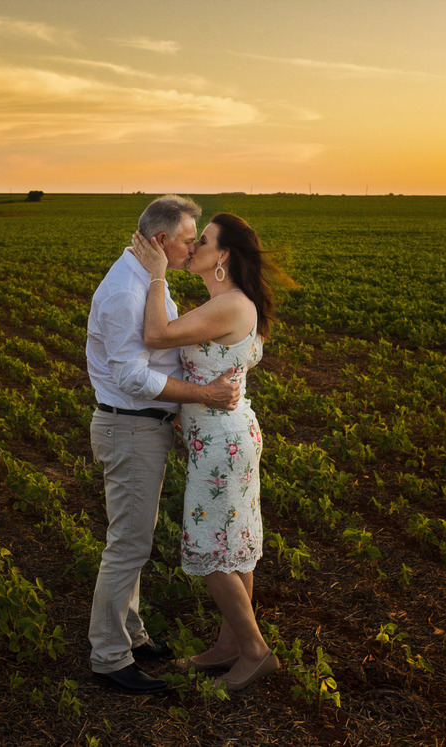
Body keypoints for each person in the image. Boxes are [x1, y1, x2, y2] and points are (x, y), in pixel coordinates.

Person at [86, 195, 243, 695]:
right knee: (128, 544)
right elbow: (132, 377)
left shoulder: (146, 280)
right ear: (161, 240)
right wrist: (204, 396)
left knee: (135, 537)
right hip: (130, 427)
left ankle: (131, 635)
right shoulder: (125, 292)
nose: (193, 247)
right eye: (188, 239)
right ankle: (109, 657)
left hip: (142, 427)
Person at [128, 212, 281, 692]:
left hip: (221, 444)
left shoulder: (230, 305)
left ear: (224, 256)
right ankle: (228, 646)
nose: (194, 248)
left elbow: (155, 335)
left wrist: (157, 274)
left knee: (211, 550)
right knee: (233, 546)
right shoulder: (228, 303)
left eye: (205, 241)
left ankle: (255, 652)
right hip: (225, 437)